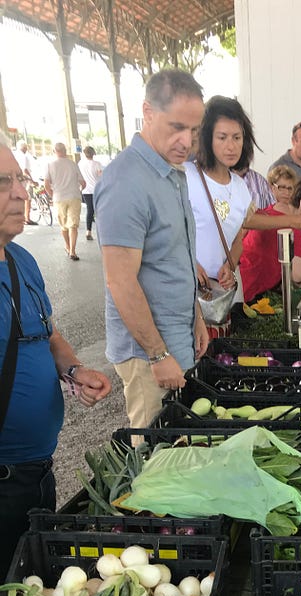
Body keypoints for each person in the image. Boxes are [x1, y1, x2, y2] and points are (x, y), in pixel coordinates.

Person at [0, 137, 111, 579]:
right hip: (5, 482)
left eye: (19, 180)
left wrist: (74, 369)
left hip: (36, 475)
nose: (20, 192)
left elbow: (47, 333)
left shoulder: (21, 259)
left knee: (29, 585)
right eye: (2, 182)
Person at [94, 69, 209, 428]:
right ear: (147, 111)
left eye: (193, 130)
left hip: (178, 337)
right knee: (153, 460)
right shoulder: (126, 180)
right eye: (176, 127)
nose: (186, 140)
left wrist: (197, 317)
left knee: (179, 448)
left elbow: (173, 257)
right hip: (149, 355)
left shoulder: (173, 172)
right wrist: (158, 354)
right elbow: (121, 281)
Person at [185, 96, 254, 337]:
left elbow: (237, 238)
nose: (231, 146)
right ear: (207, 139)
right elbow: (165, 232)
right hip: (189, 297)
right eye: (222, 137)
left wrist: (230, 264)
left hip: (221, 297)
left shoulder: (241, 188)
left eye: (237, 137)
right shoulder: (186, 177)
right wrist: (190, 263)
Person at [238, 178, 301, 305]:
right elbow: (298, 276)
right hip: (245, 295)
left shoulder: (268, 211)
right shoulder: (293, 225)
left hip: (238, 285)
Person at [45, 142, 85, 260]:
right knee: (73, 225)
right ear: (65, 151)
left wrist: (53, 195)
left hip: (58, 198)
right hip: (74, 197)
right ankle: (73, 251)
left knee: (64, 226)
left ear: (54, 151)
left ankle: (67, 246)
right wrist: (79, 190)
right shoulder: (73, 164)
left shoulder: (50, 165)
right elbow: (83, 183)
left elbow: (46, 185)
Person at [78, 146, 103, 241]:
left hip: (85, 190)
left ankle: (88, 231)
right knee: (98, 211)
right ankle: (101, 231)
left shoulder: (80, 164)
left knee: (90, 210)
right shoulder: (97, 164)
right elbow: (101, 176)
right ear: (93, 153)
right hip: (97, 190)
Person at [13, 140, 37, 226]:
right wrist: (32, 181)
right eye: (26, 147)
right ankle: (26, 218)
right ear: (24, 147)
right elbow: (25, 170)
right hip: (21, 181)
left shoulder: (13, 154)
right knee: (27, 198)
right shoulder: (23, 157)